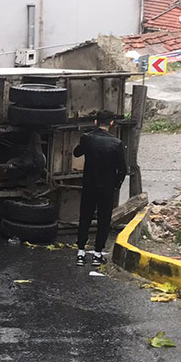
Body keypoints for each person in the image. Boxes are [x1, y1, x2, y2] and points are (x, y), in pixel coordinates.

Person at [73, 110, 128, 267]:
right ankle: (97, 254)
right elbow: (122, 169)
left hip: (89, 185)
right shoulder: (116, 143)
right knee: (104, 220)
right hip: (107, 188)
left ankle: (81, 253)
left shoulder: (87, 138)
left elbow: (76, 153)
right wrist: (115, 185)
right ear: (111, 123)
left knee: (85, 217)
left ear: (96, 122)